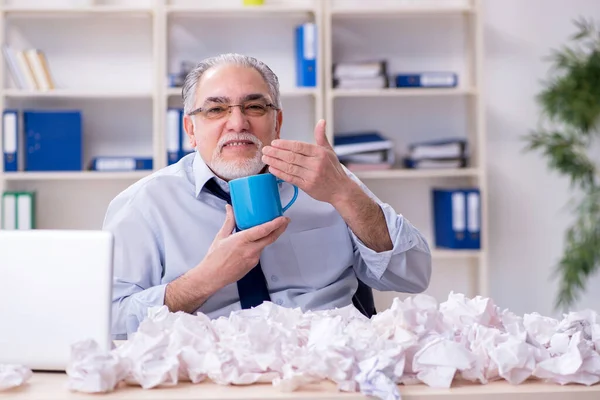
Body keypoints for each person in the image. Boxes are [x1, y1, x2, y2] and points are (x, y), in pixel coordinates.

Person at [104, 53, 432, 339]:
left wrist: (346, 195)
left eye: (255, 106)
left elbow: (413, 276)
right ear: (190, 130)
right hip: (213, 374)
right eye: (216, 109)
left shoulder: (328, 180)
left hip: (329, 363)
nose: (237, 122)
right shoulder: (144, 205)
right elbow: (110, 321)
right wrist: (203, 280)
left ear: (277, 122)